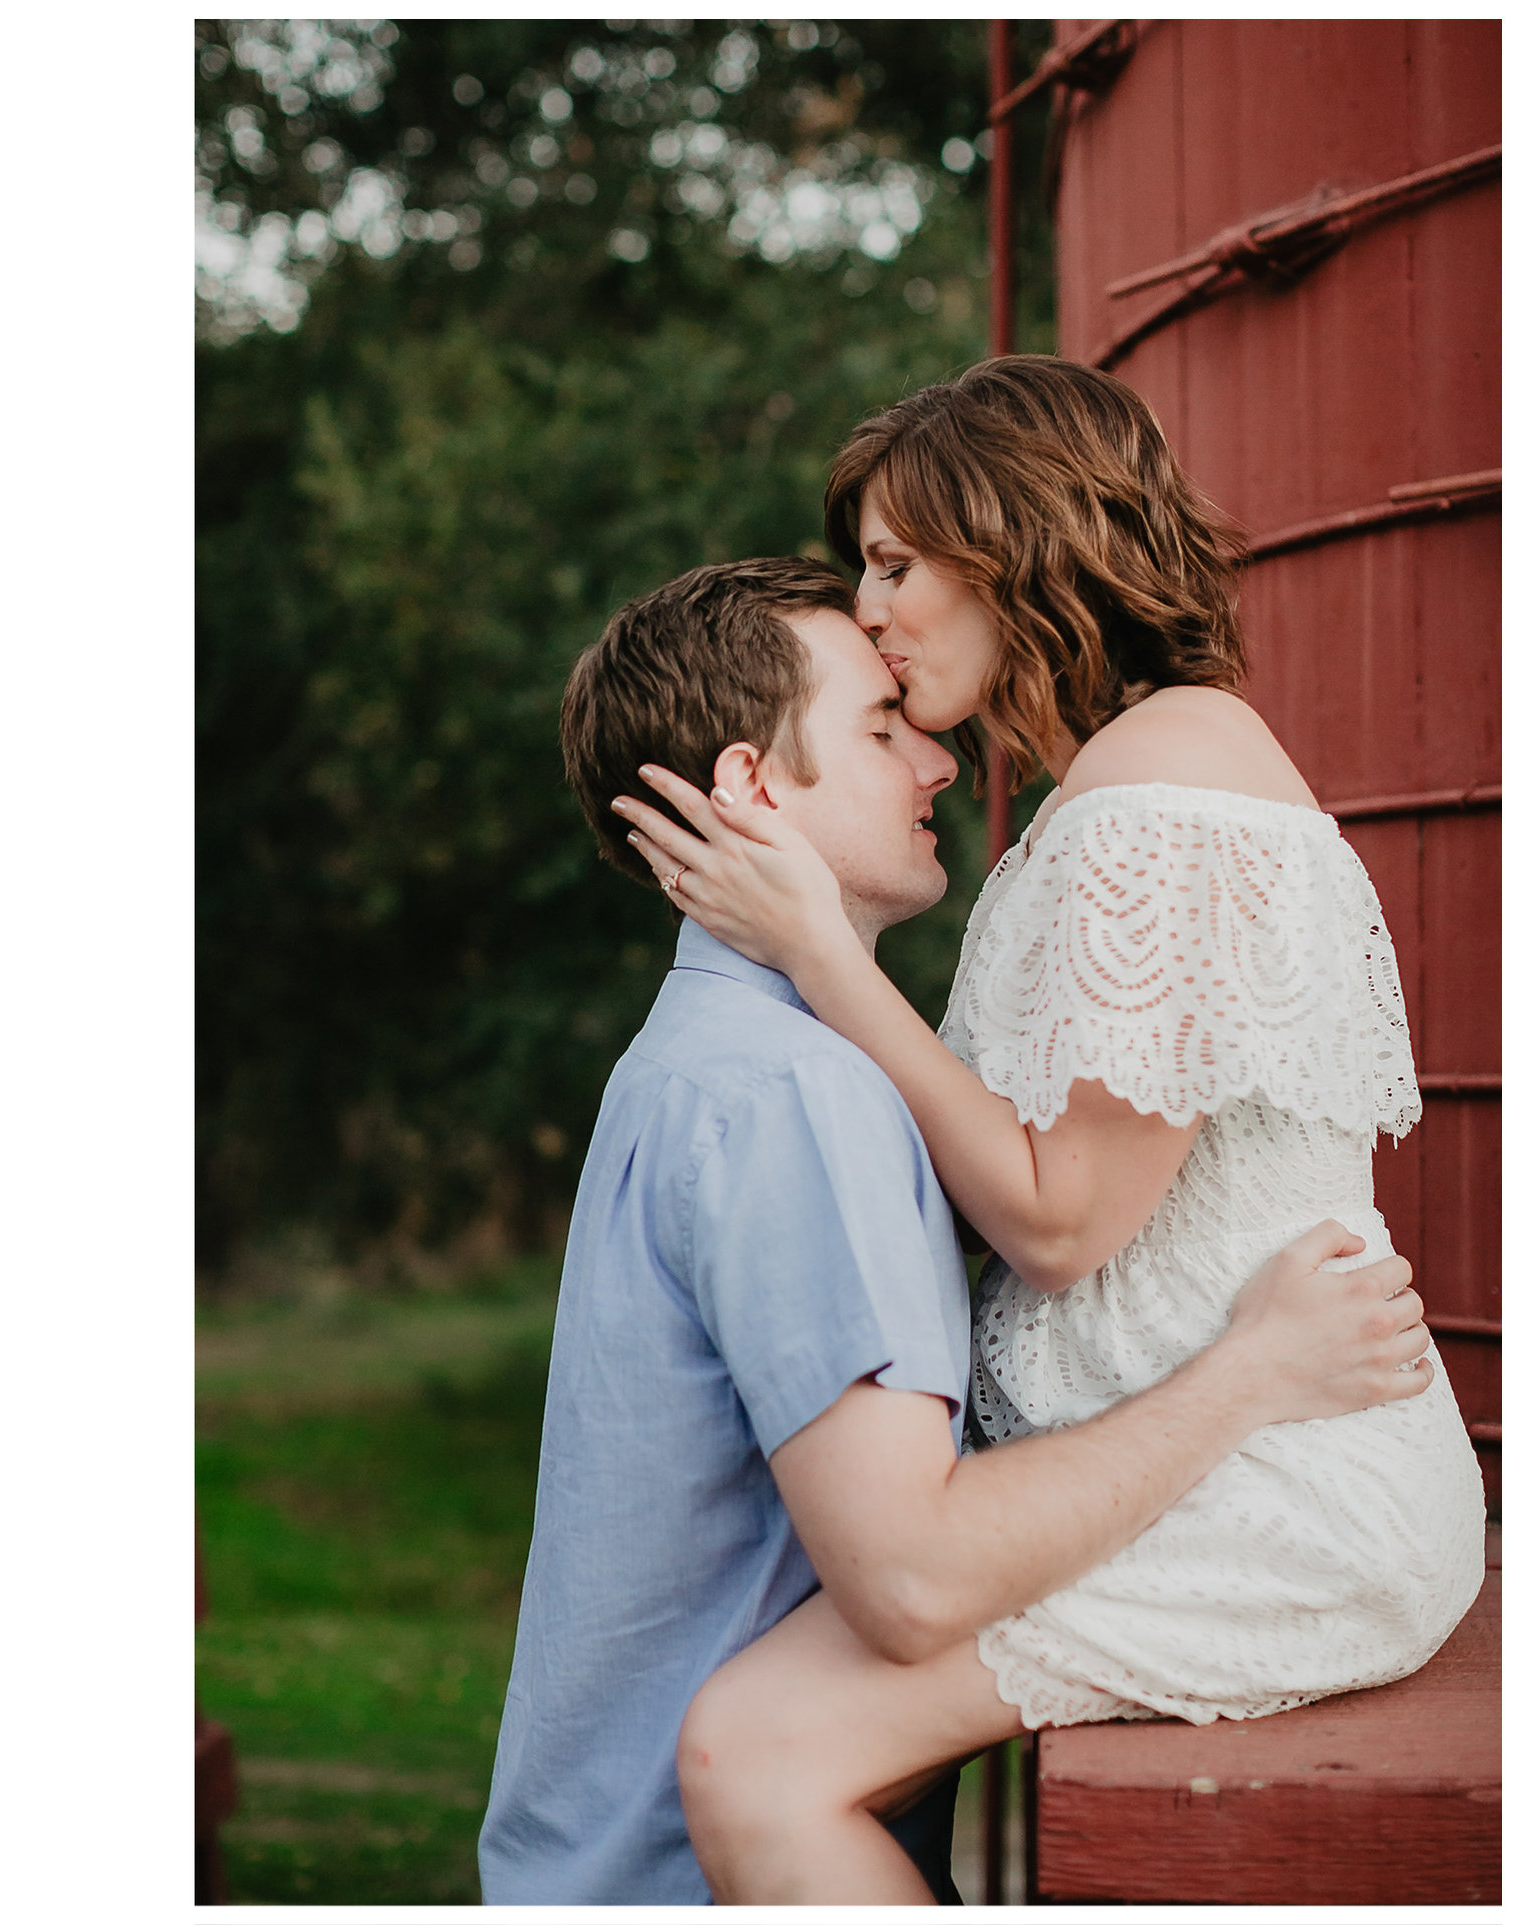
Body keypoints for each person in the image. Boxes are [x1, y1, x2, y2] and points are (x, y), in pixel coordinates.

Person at [621, 358, 1486, 1903]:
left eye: (895, 561)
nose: (870, 607)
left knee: (758, 1752)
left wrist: (821, 950)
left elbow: (1066, 1218)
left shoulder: (1164, 799)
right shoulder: (1124, 784)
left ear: (1014, 534)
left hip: (1270, 1486)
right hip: (1184, 1466)